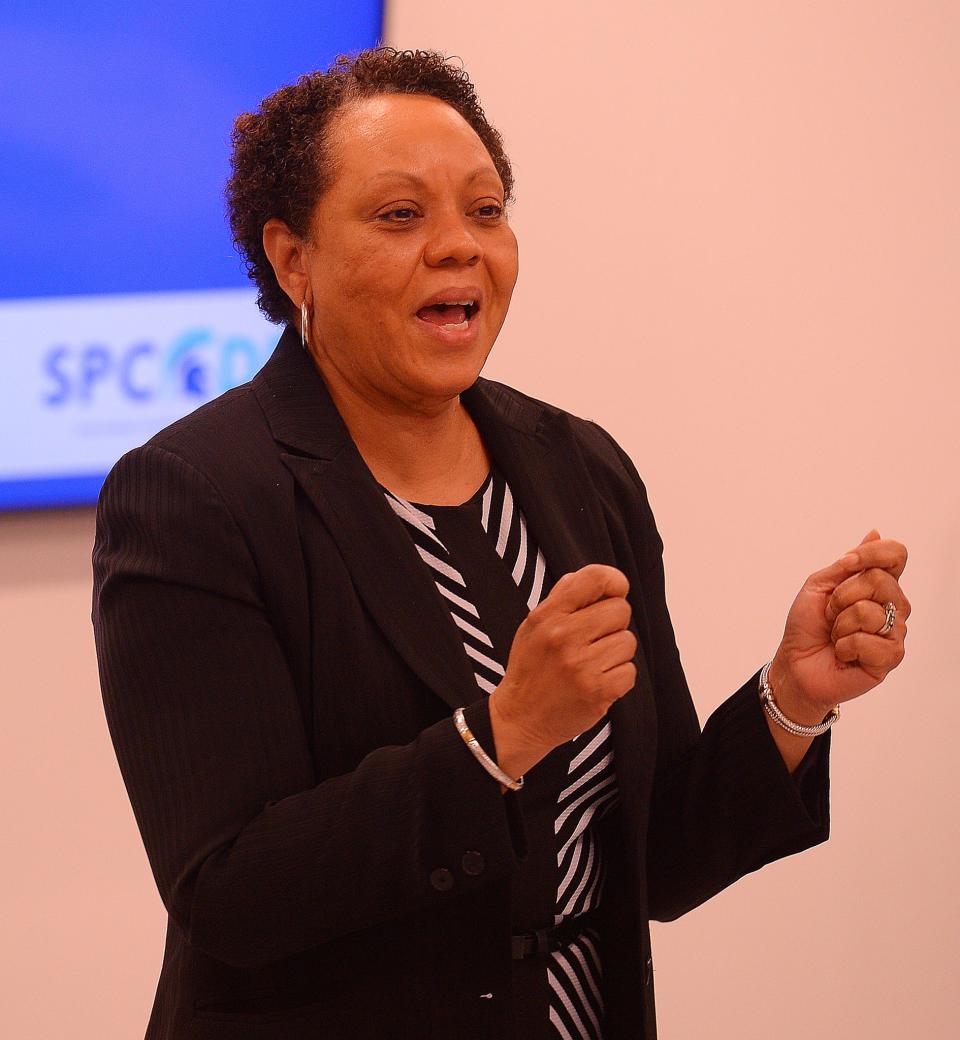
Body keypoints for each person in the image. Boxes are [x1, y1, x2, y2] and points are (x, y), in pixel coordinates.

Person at [91, 47, 910, 1040]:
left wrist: (792, 696)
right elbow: (231, 891)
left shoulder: (579, 468)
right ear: (292, 256)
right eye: (400, 215)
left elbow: (658, 853)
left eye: (486, 210)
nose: (459, 246)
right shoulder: (195, 495)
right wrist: (502, 736)